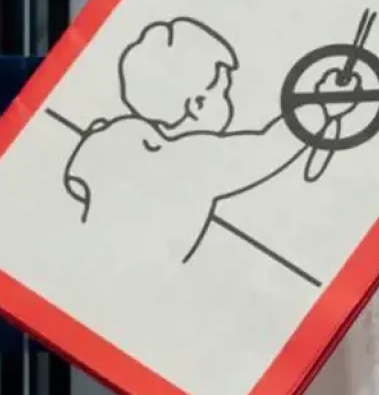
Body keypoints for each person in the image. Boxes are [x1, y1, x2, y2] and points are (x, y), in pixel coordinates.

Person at [62, 15, 353, 267]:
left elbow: (77, 181)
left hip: (83, 262)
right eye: (223, 92)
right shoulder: (196, 158)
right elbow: (266, 149)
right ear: (197, 104)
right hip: (148, 282)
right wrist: (320, 105)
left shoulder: (118, 132)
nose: (228, 101)